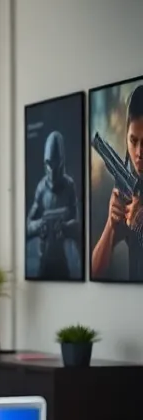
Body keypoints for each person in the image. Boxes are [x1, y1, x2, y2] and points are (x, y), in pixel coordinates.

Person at [90, 85, 143, 281]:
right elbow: (94, 272)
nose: (139, 153)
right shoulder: (129, 191)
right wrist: (111, 226)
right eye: (133, 141)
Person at [26, 130, 80, 279]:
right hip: (44, 260)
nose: (52, 169)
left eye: (56, 163)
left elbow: (78, 226)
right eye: (50, 163)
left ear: (62, 162)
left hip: (64, 259)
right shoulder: (41, 188)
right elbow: (28, 226)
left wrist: (64, 227)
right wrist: (41, 225)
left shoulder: (69, 186)